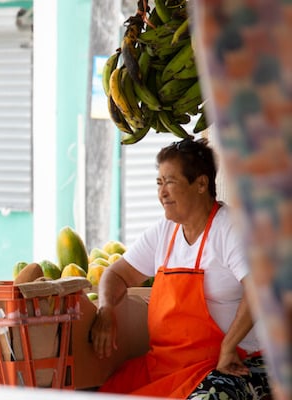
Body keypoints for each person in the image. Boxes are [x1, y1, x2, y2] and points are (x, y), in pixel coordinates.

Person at [90, 138, 271, 399]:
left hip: (233, 362)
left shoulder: (230, 228)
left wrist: (229, 346)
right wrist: (105, 310)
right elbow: (116, 274)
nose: (162, 192)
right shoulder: (164, 232)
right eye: (159, 183)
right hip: (166, 366)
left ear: (201, 184)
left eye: (170, 182)